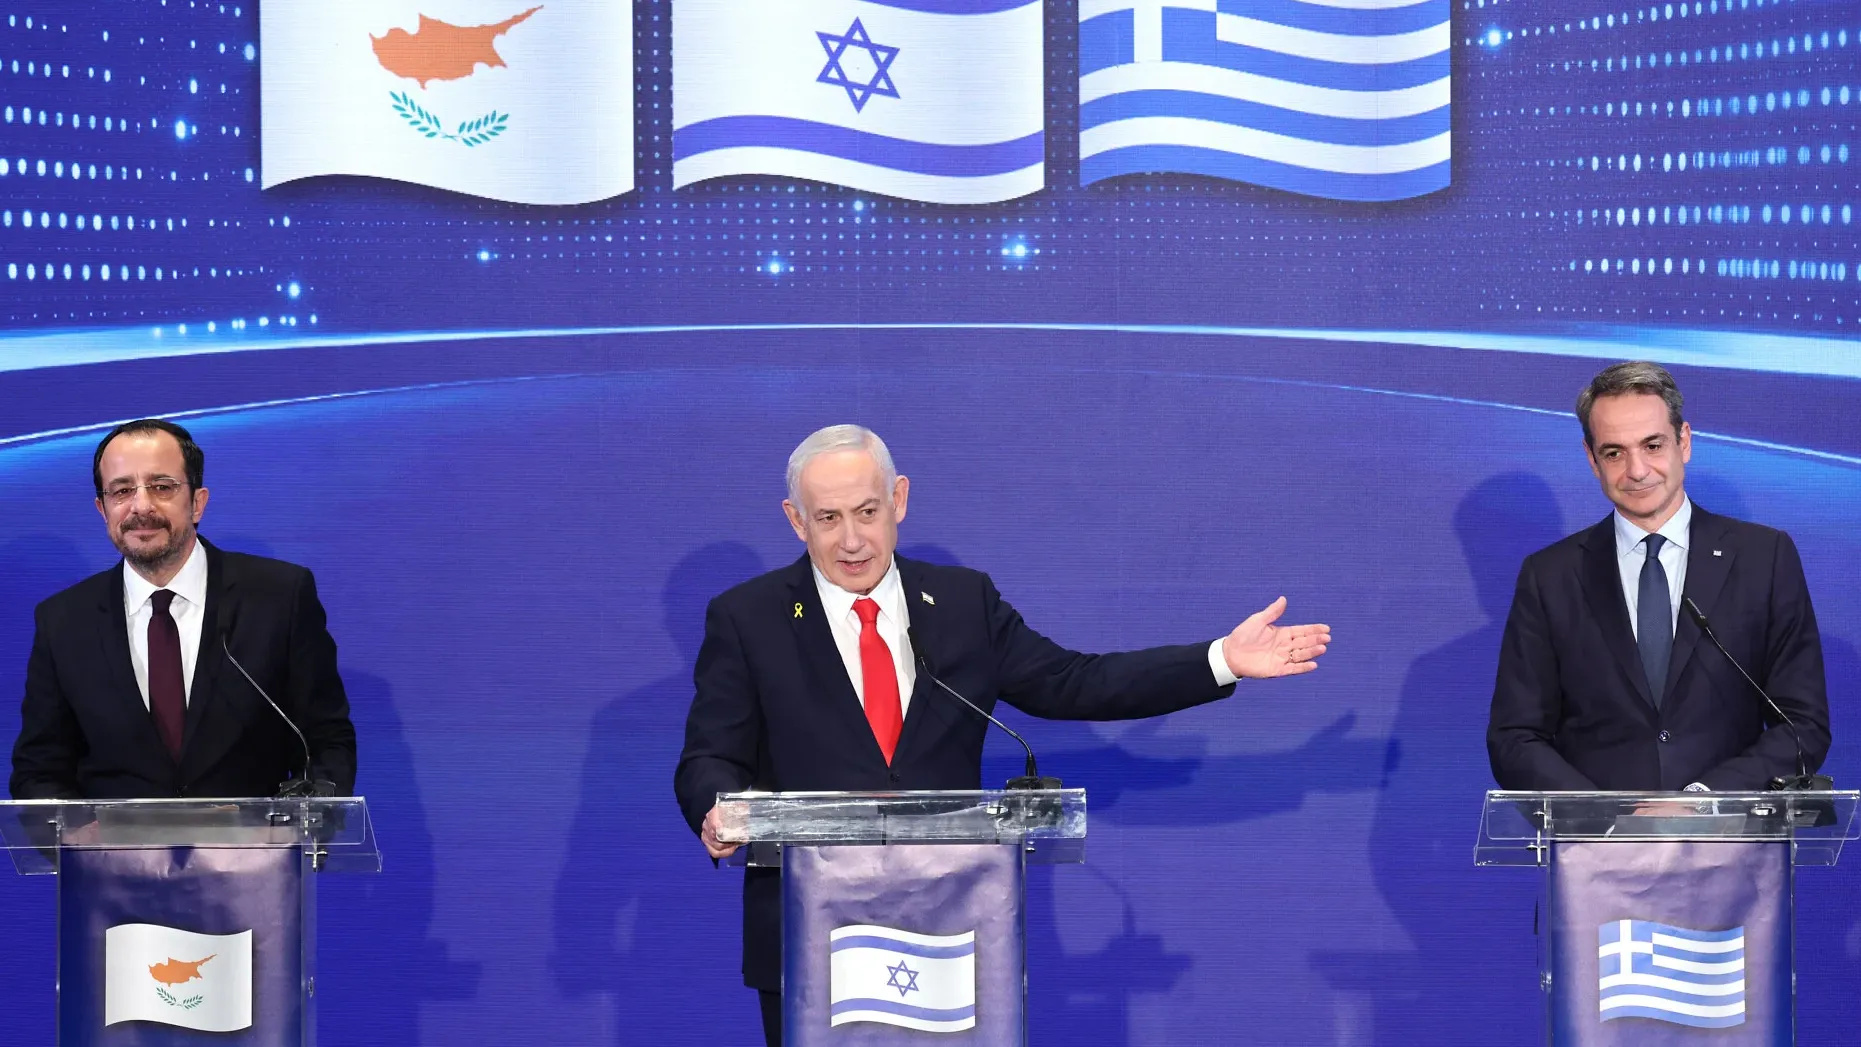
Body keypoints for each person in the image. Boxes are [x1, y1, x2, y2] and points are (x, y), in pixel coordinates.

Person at [674, 424, 1332, 1046]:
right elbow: (710, 754)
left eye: (867, 512)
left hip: (950, 929)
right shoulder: (749, 618)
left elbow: (1074, 681)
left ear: (899, 499)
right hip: (811, 931)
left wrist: (1220, 659)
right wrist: (716, 807)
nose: (851, 539)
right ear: (796, 520)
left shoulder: (962, 603)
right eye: (828, 518)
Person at [1487, 362, 1829, 792]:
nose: (1637, 470)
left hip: (1730, 828)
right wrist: (1603, 816)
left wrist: (1702, 801)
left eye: (1652, 445)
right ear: (1592, 459)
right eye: (1614, 453)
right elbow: (1515, 738)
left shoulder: (1764, 557)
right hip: (1600, 832)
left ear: (1683, 441)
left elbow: (1802, 724)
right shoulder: (1550, 576)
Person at [10, 419, 357, 801]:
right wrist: (78, 830)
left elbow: (325, 743)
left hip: (255, 839)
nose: (141, 506)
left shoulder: (279, 597)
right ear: (102, 509)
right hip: (116, 843)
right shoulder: (63, 621)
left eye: (162, 487)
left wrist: (300, 820)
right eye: (122, 491)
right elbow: (39, 769)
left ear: (197, 502)